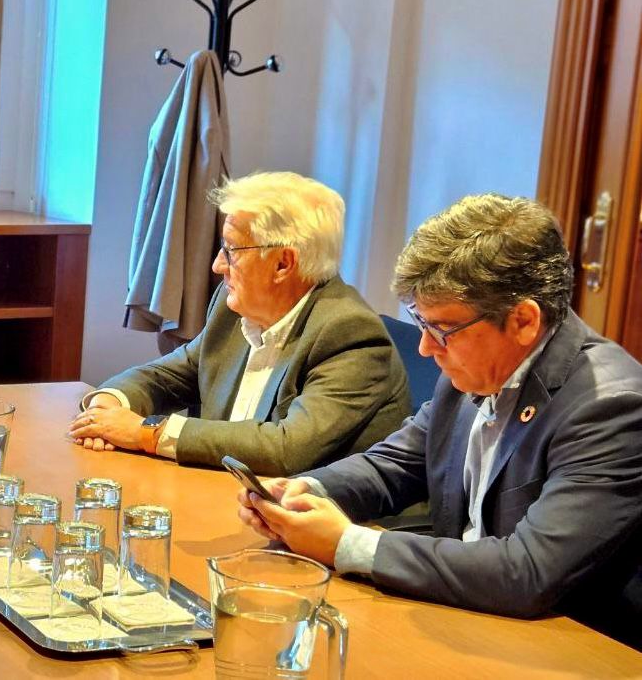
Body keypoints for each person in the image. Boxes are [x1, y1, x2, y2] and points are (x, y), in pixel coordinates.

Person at [238, 194, 642, 650]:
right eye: (420, 323)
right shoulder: (475, 368)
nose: (426, 349)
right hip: (463, 613)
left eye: (441, 329)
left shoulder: (612, 408)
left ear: (524, 321)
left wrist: (347, 544)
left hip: (563, 647)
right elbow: (393, 465)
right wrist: (304, 492)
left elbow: (529, 571)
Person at [71, 172, 410, 475]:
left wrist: (146, 433)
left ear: (283, 264)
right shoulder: (233, 306)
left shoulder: (349, 334)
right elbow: (171, 375)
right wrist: (108, 406)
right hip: (224, 497)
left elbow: (286, 447)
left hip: (314, 517)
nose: (218, 265)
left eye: (231, 251)